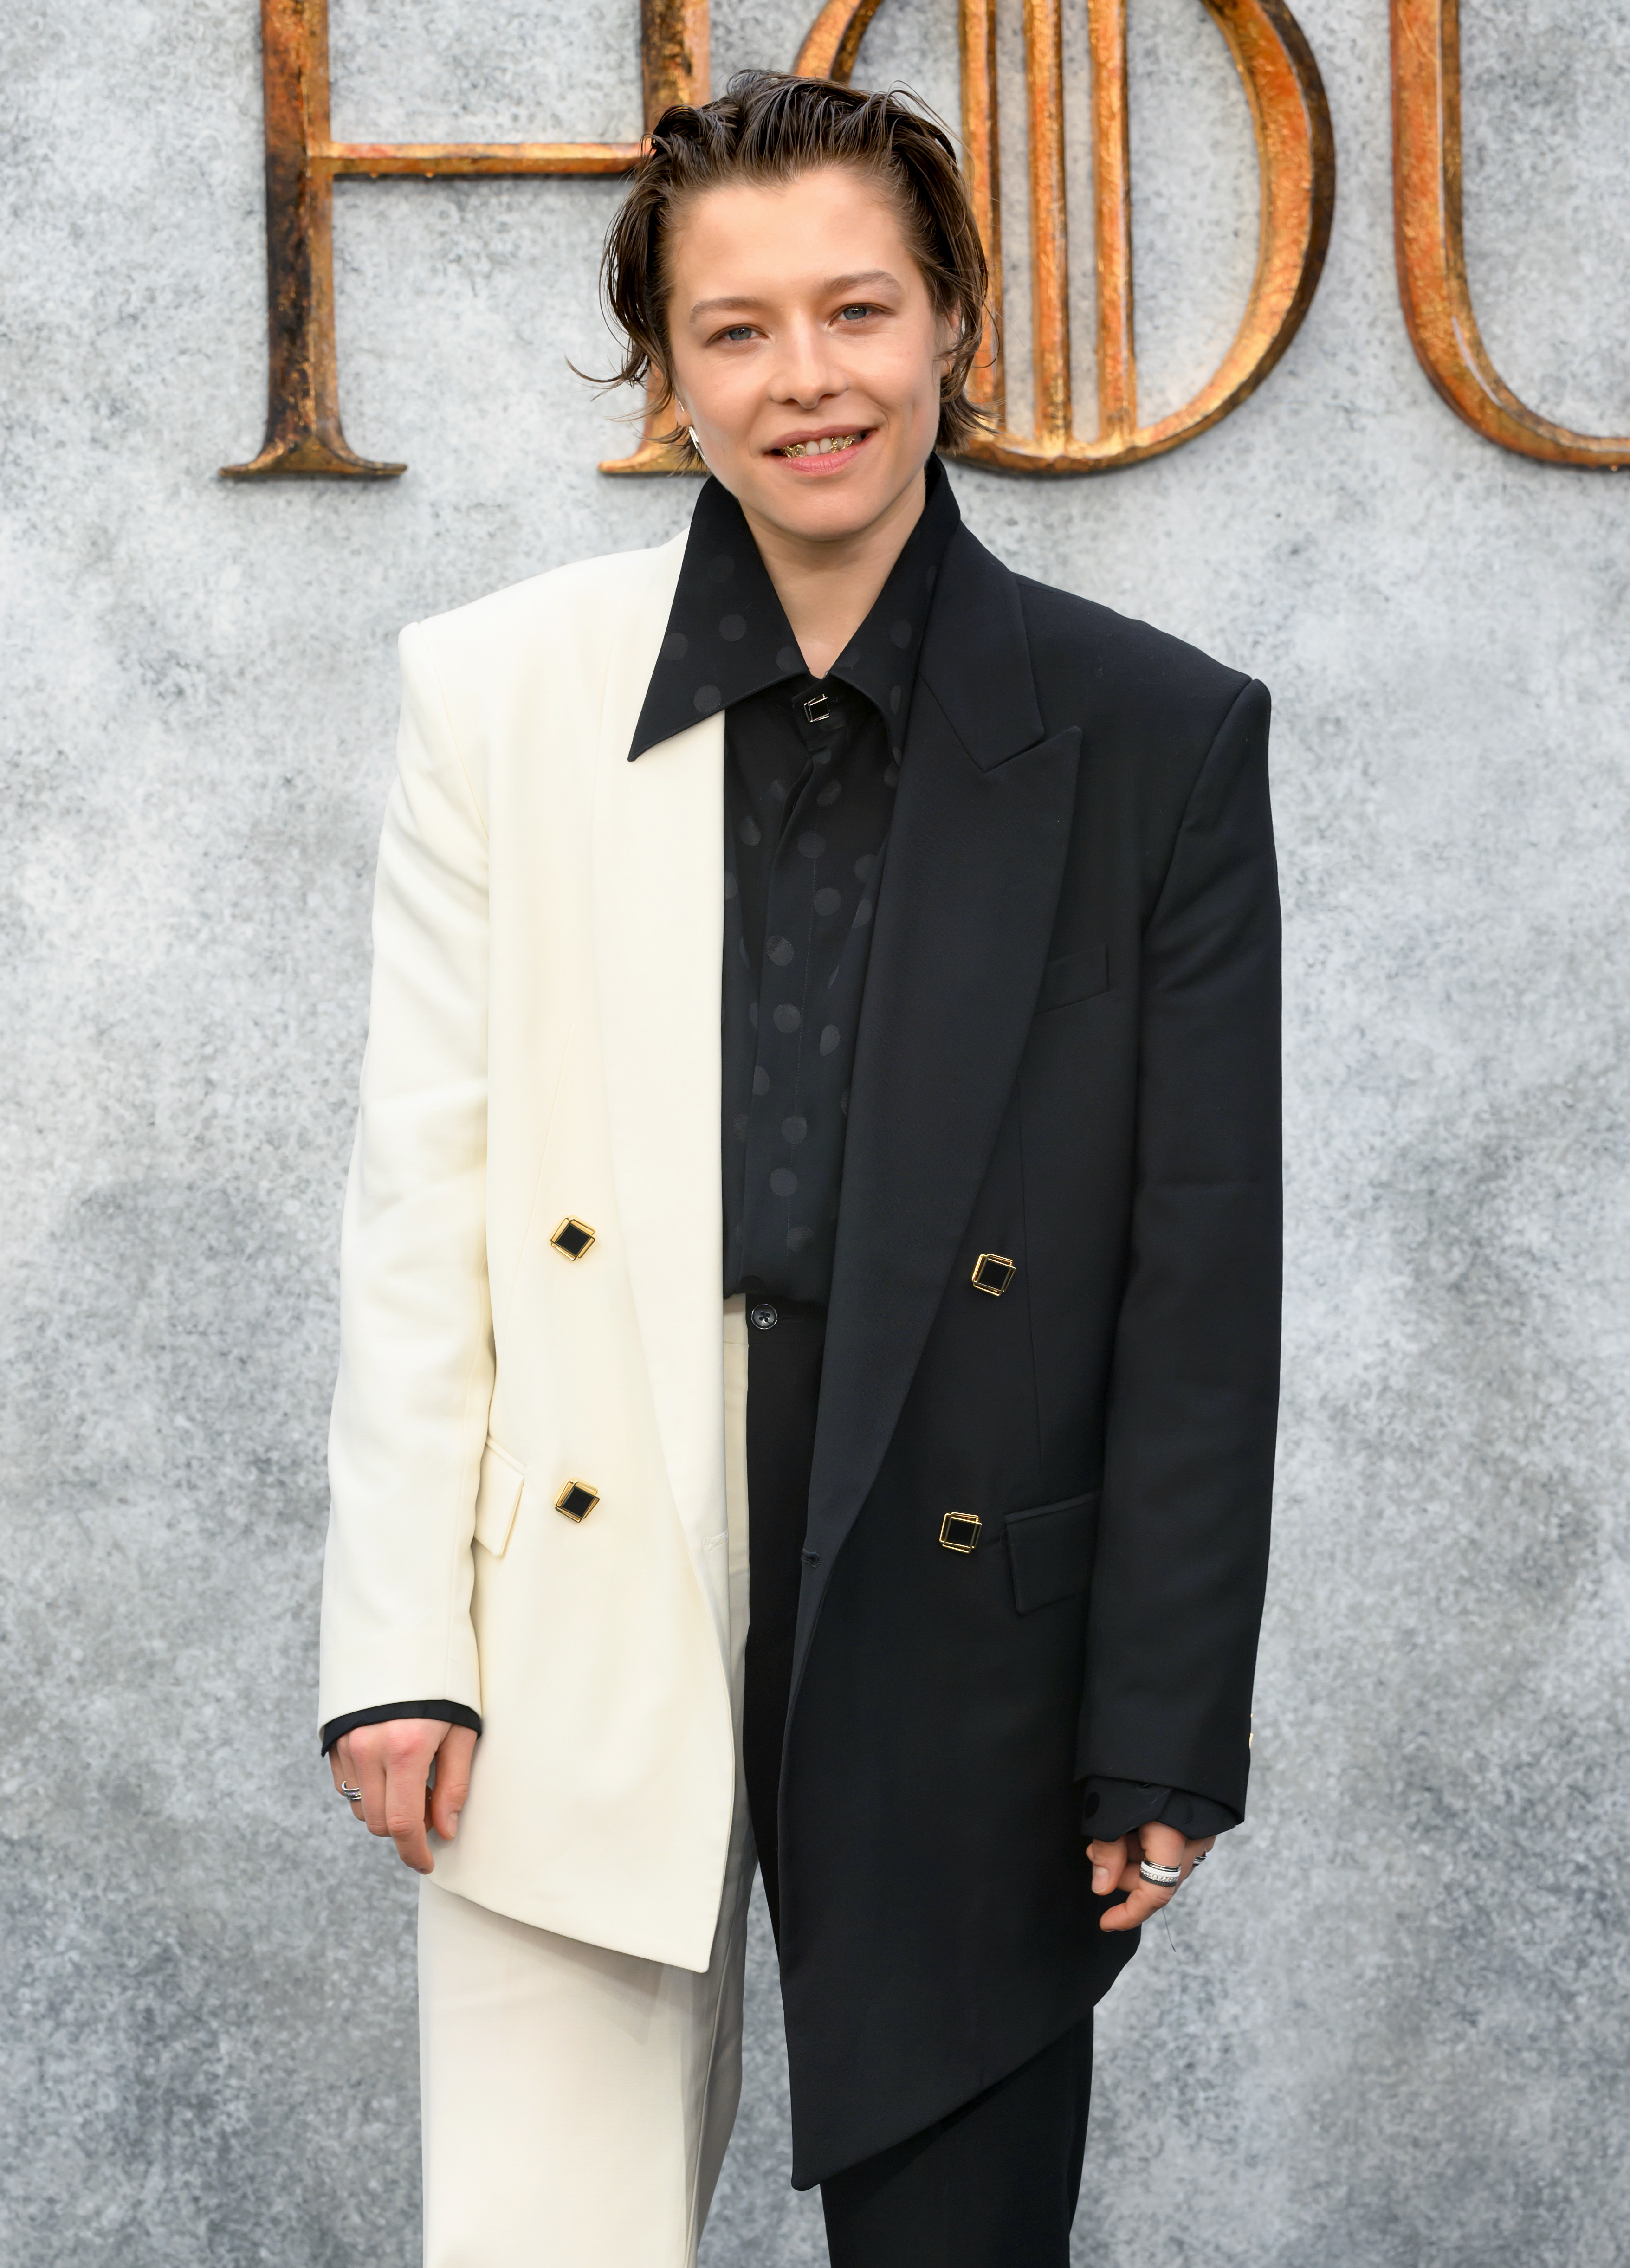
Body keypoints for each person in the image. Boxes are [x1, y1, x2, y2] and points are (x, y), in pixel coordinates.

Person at [318, 69, 1280, 2268]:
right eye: (735, 329)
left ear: (953, 321)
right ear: (663, 374)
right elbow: (424, 1188)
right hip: (579, 1547)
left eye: (857, 309)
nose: (805, 379)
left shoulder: (1154, 731)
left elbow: (1202, 1273)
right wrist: (396, 1640)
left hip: (969, 1575)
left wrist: (1163, 1722)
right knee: (546, 2236)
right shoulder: (499, 694)